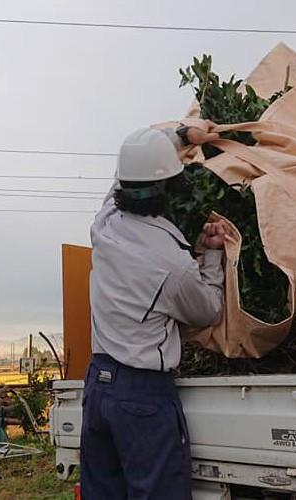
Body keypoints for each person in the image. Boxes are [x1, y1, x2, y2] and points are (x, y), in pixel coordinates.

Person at [80, 122, 229, 500]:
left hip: (99, 385)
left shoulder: (105, 224)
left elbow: (125, 175)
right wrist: (211, 253)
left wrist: (181, 136)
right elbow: (209, 310)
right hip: (142, 397)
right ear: (167, 190)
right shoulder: (172, 265)